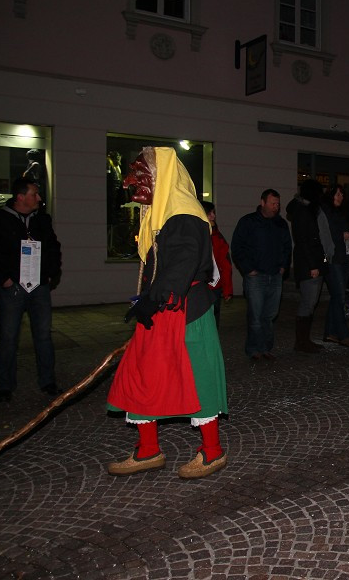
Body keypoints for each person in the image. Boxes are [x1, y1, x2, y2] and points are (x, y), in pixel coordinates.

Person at [106, 146, 228, 479]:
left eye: (144, 176)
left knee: (197, 377)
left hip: (186, 310)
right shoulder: (160, 213)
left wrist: (154, 298)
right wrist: (148, 300)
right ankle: (148, 451)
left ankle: (213, 452)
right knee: (142, 372)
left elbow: (184, 264)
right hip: (161, 307)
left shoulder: (185, 212)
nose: (138, 184)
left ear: (163, 175)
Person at [0, 177, 62, 403]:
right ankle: (5, 385)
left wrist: (50, 273)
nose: (39, 198)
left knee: (43, 335)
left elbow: (53, 248)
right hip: (13, 288)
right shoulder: (0, 220)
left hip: (39, 286)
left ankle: (48, 381)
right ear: (21, 197)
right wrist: (3, 279)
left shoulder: (42, 220)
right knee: (8, 337)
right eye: (34, 194)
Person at [231, 189, 291, 361]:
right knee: (255, 315)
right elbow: (237, 247)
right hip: (256, 277)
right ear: (263, 202)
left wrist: (283, 267)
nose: (276, 207)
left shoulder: (281, 224)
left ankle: (265, 347)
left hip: (275, 276)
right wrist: (249, 269)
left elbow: (287, 248)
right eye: (272, 203)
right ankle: (254, 349)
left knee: (269, 315)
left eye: (278, 204)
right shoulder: (248, 222)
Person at [286, 179, 327, 354]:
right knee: (308, 302)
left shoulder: (304, 210)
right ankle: (302, 342)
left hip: (311, 262)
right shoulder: (303, 212)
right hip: (309, 264)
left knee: (310, 302)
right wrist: (313, 265)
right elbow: (303, 242)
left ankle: (304, 340)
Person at [321, 184, 349, 347]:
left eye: (342, 194)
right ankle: (343, 335)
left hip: (342, 257)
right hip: (333, 259)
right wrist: (341, 235)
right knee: (339, 297)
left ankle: (330, 332)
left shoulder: (339, 213)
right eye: (337, 194)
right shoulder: (325, 212)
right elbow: (325, 234)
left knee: (338, 296)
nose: (340, 197)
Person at [201, 201, 233, 328]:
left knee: (213, 323)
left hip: (214, 288)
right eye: (209, 213)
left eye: (213, 212)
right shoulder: (195, 236)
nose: (213, 216)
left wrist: (227, 291)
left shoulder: (217, 236)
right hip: (198, 287)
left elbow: (225, 264)